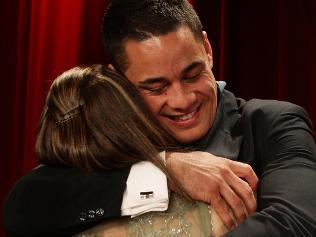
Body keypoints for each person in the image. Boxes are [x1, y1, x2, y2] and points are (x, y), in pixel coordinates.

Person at [3, 0, 316, 236]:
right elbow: (24, 208)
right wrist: (165, 171)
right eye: (156, 87)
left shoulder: (273, 122)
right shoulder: (112, 139)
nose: (182, 100)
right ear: (120, 80)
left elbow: (297, 221)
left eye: (192, 75)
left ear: (207, 49)